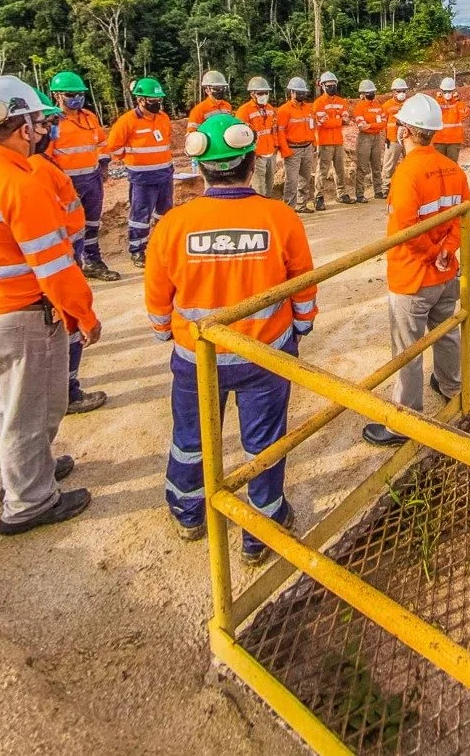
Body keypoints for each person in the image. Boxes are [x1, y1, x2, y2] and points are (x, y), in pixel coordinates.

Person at [145, 112, 316, 563]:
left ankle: (188, 513)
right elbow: (302, 280)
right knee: (263, 442)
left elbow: (158, 294)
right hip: (265, 355)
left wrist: (166, 332)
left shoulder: (173, 225)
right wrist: (302, 324)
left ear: (201, 167)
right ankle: (260, 530)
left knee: (192, 437)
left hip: (196, 358)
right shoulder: (279, 217)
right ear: (252, 159)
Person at [0, 76, 101, 535]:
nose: (44, 128)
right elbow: (54, 266)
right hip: (20, 316)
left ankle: (27, 475)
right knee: (33, 411)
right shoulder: (19, 184)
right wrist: (82, 315)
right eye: (37, 120)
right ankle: (29, 502)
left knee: (10, 407)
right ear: (22, 127)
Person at [365, 93, 470, 447]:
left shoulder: (406, 173)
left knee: (408, 349)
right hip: (445, 272)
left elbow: (404, 231)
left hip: (413, 276)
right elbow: (462, 216)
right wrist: (446, 251)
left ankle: (405, 421)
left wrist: (431, 254)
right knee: (446, 332)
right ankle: (450, 385)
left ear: (405, 131)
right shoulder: (453, 169)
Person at [43, 72, 118, 284]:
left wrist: (103, 165)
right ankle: (72, 268)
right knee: (70, 228)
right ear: (58, 96)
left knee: (92, 223)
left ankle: (93, 262)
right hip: (68, 184)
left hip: (92, 179)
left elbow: (101, 144)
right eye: (70, 94)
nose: (76, 98)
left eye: (79, 94)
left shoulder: (89, 117)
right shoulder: (53, 122)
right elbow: (46, 156)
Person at [106, 77, 177, 267]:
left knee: (165, 213)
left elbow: (166, 140)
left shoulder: (163, 118)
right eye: (152, 101)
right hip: (142, 177)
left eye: (158, 100)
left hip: (164, 174)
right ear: (140, 99)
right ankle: (137, 251)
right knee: (140, 215)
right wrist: (131, 159)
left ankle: (162, 245)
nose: (156, 104)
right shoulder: (127, 121)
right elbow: (113, 147)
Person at [278, 77, 320, 210]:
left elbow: (312, 127)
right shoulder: (284, 110)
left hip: (307, 147)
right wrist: (285, 150)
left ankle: (301, 205)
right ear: (292, 92)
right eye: (298, 92)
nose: (301, 95)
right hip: (293, 149)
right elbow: (280, 132)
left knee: (305, 178)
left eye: (303, 93)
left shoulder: (308, 109)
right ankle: (289, 208)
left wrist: (314, 143)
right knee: (292, 181)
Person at [311, 71, 351, 210]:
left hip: (338, 141)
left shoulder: (342, 101)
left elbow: (347, 118)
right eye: (329, 85)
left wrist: (336, 120)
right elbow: (324, 123)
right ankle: (318, 197)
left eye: (334, 85)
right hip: (324, 142)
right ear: (322, 86)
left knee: (340, 169)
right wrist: (340, 120)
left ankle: (342, 193)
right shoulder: (318, 103)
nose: (332, 87)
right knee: (322, 171)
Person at [241, 77, 284, 198]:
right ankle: (258, 212)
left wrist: (276, 146)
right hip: (256, 155)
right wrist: (251, 152)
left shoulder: (270, 109)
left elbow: (274, 129)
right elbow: (241, 136)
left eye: (266, 92)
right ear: (252, 94)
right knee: (258, 187)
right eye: (260, 93)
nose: (264, 95)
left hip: (271, 153)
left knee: (269, 185)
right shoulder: (244, 111)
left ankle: (267, 208)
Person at [349, 79, 388, 204]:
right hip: (364, 138)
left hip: (376, 137)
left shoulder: (378, 106)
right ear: (362, 94)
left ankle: (378, 191)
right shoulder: (359, 107)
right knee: (362, 167)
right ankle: (360, 194)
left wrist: (370, 125)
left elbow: (383, 122)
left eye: (372, 92)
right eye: (368, 92)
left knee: (377, 166)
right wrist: (375, 125)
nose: (371, 94)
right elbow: (361, 126)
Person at [432, 76, 468, 165]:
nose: (447, 94)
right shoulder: (437, 103)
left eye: (449, 91)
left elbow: (465, 113)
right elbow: (433, 112)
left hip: (454, 140)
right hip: (439, 140)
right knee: (440, 164)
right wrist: (438, 100)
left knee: (452, 164)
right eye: (445, 92)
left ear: (454, 92)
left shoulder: (458, 104)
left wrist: (458, 100)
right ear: (441, 91)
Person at [380, 77, 410, 184]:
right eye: (399, 91)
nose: (402, 93)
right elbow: (383, 124)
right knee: (389, 166)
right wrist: (385, 138)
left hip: (408, 140)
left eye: (404, 91)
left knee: (410, 164)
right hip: (393, 140)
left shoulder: (409, 104)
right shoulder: (387, 106)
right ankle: (386, 188)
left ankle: (409, 185)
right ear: (393, 92)